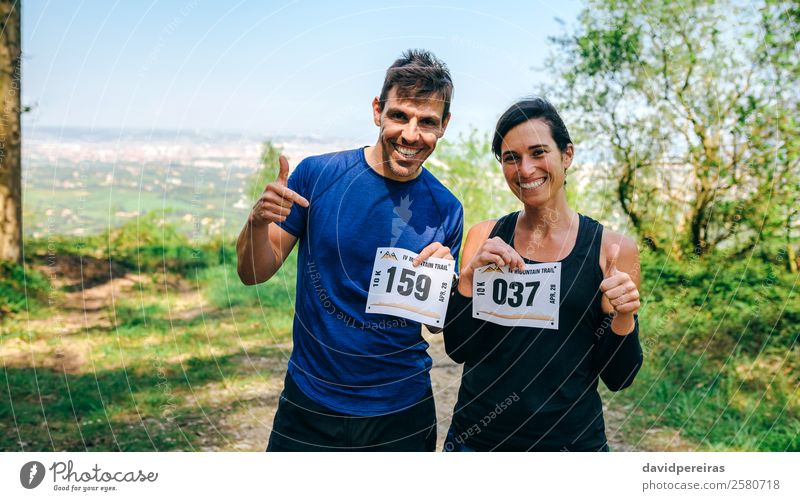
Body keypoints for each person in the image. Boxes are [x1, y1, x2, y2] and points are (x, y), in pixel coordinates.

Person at [236, 49, 464, 451]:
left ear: (444, 125)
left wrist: (446, 283)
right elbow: (253, 271)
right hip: (310, 402)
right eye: (399, 116)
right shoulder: (317, 175)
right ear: (378, 110)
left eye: (427, 122)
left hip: (402, 411)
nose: (411, 135)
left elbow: (439, 326)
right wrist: (256, 223)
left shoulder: (447, 209)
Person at [442, 98, 643, 452]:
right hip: (478, 441)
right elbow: (459, 349)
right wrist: (468, 281)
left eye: (538, 152)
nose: (525, 169)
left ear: (567, 155)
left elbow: (619, 377)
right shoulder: (483, 236)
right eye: (511, 158)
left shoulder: (612, 250)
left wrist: (624, 316)